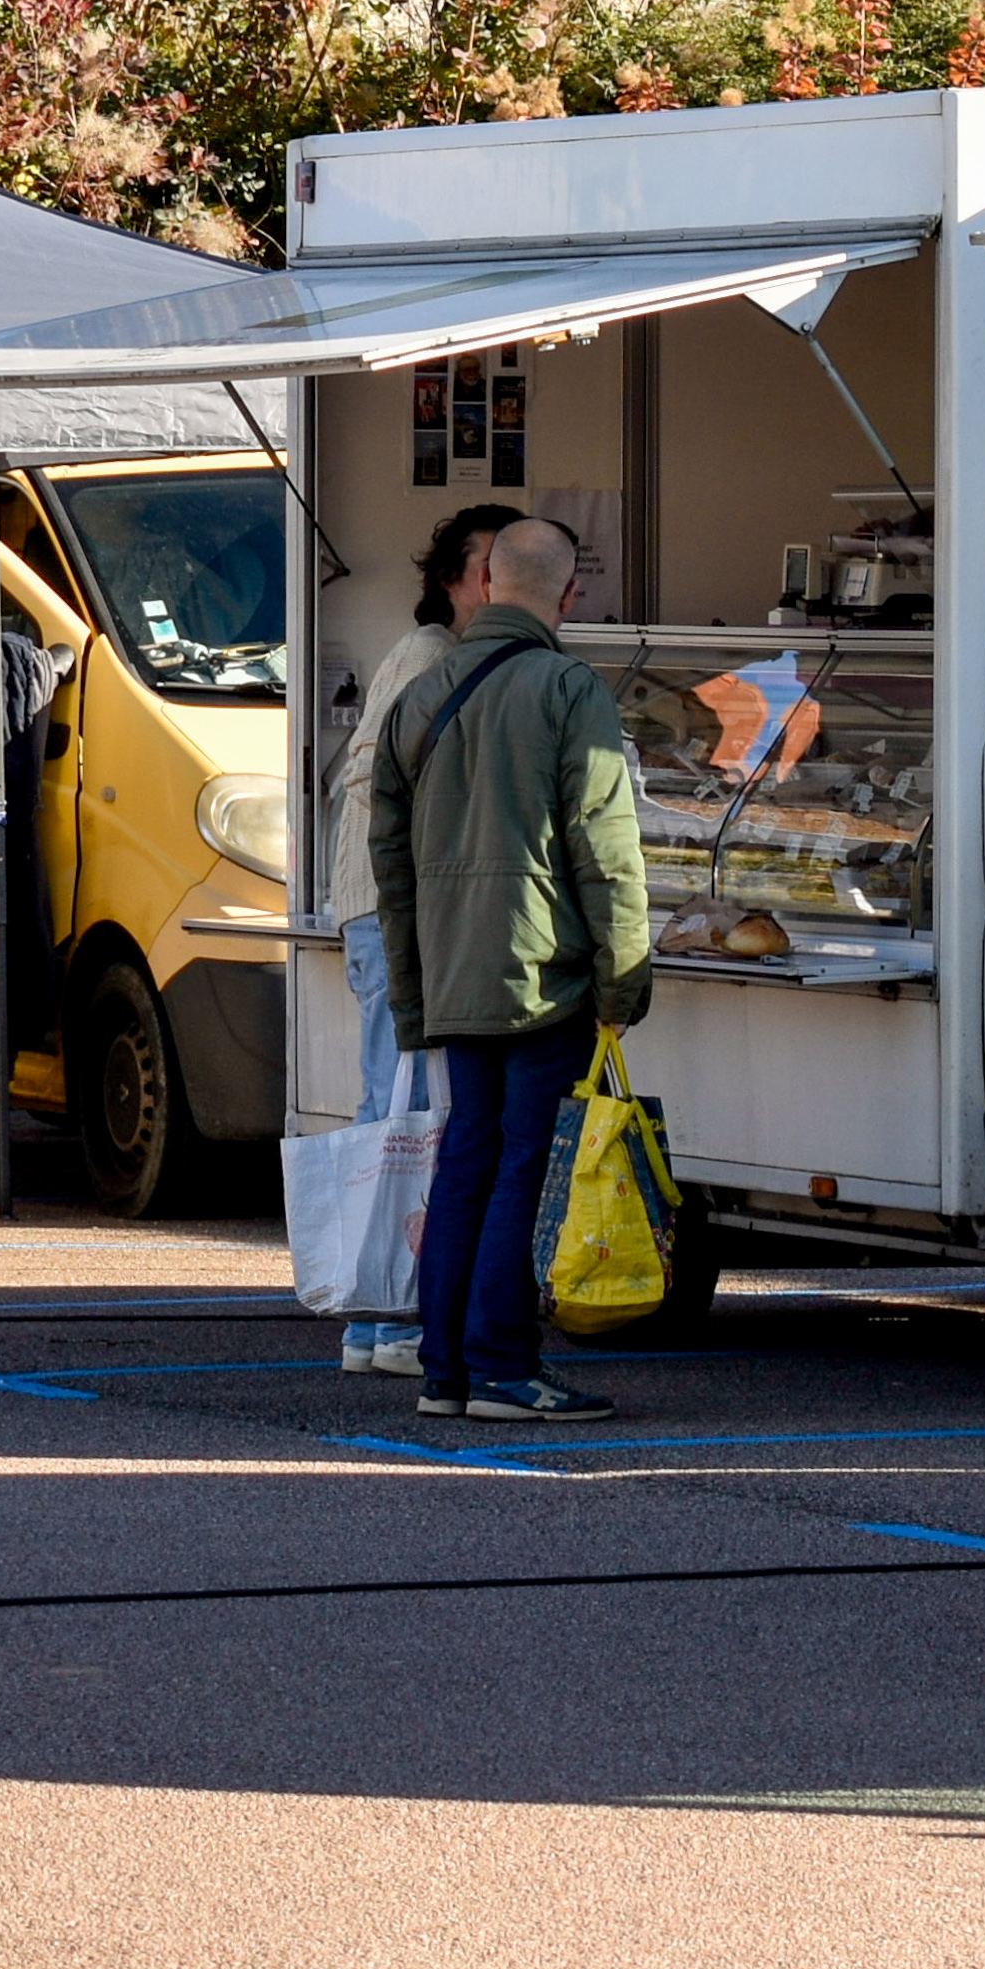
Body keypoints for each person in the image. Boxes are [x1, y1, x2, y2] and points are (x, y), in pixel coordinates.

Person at [367, 516, 645, 1424]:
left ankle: (443, 1369)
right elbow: (605, 852)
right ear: (569, 596)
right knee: (523, 1166)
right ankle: (501, 1366)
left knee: (464, 1162)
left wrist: (412, 992)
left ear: (484, 581)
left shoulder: (422, 692)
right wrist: (622, 980)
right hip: (540, 974)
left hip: (449, 970)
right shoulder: (569, 688)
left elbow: (390, 863)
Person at [327, 501, 521, 1377]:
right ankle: (384, 1320)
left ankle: (383, 1322)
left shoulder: (468, 664)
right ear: (449, 579)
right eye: (485, 565)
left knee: (405, 1114)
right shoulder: (429, 657)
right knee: (400, 1117)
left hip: (405, 913)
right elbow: (374, 780)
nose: (497, 581)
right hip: (392, 914)